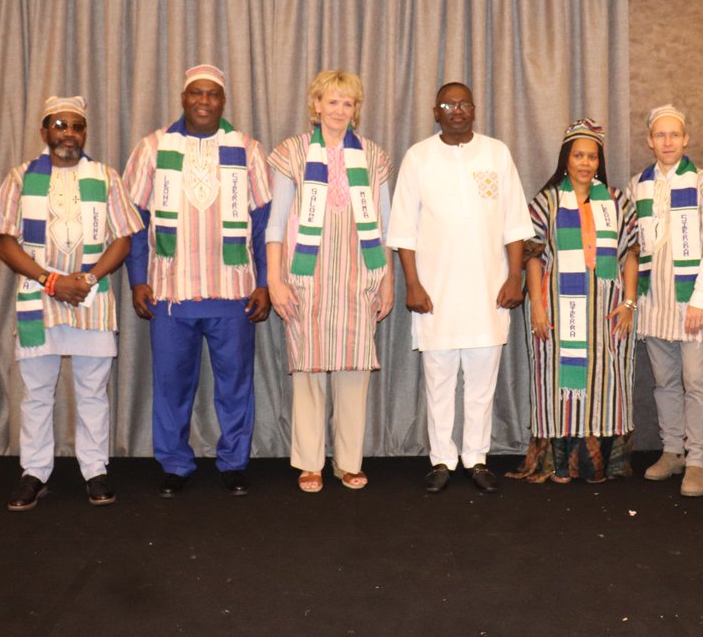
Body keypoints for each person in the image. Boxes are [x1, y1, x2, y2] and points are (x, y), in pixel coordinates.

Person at [123, 64, 273, 497]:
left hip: (233, 293)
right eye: (196, 93)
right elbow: (135, 222)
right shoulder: (153, 148)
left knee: (235, 384)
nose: (204, 101)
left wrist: (263, 281)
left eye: (213, 95)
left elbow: (262, 225)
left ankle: (233, 462)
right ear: (183, 98)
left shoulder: (246, 149)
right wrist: (138, 279)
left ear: (223, 102)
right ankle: (174, 463)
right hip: (171, 292)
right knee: (172, 385)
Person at [0, 96, 143, 510]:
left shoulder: (105, 176)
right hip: (38, 299)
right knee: (37, 393)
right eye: (60, 125)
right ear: (45, 131)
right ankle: (34, 472)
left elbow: (124, 237)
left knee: (93, 391)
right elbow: (5, 241)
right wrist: (51, 280)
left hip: (91, 298)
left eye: (77, 126)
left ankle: (95, 470)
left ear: (84, 133)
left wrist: (88, 278)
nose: (69, 133)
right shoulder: (21, 178)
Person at [386, 82, 533, 494]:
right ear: (436, 111)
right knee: (439, 383)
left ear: (474, 109)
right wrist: (412, 285)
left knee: (482, 386)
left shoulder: (496, 153)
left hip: (489, 293)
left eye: (464, 103)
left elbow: (515, 224)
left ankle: (477, 458)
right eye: (449, 104)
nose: (457, 110)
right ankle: (441, 460)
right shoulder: (419, 157)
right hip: (435, 295)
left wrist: (514, 276)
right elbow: (403, 231)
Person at [266, 71, 394, 493]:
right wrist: (274, 280)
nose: (340, 110)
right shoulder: (292, 152)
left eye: (348, 103)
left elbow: (386, 224)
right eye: (332, 102)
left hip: (361, 278)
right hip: (307, 279)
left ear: (356, 110)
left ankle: (348, 461)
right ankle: (309, 462)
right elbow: (275, 226)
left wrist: (388, 281)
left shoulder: (374, 157)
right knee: (308, 372)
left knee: (354, 373)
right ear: (316, 106)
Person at [507, 118, 639, 484]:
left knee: (605, 384)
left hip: (607, 313)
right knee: (558, 385)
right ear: (566, 158)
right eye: (578, 155)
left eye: (592, 157)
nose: (585, 163)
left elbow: (631, 255)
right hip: (557, 310)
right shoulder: (546, 202)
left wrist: (629, 304)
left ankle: (598, 465)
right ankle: (557, 465)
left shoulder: (617, 200)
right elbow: (533, 256)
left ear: (600, 162)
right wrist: (535, 305)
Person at [629, 105, 703, 497]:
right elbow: (634, 249)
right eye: (660, 135)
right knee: (665, 382)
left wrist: (699, 298)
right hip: (654, 302)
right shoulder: (636, 185)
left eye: (674, 134)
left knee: (695, 381)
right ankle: (672, 450)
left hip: (692, 302)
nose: (668, 141)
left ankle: (696, 460)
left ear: (686, 138)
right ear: (649, 141)